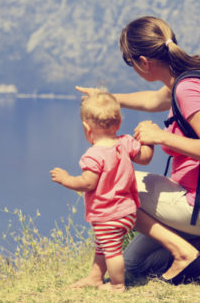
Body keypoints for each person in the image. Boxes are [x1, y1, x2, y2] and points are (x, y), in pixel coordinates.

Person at [76, 15, 200, 284]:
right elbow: (152, 100)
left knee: (103, 181)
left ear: (143, 62)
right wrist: (106, 99)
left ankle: (182, 251)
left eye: (131, 64)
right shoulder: (194, 77)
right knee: (135, 264)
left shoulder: (188, 90)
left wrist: (161, 137)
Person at [50, 90, 154, 292]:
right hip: (127, 211)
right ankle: (95, 277)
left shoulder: (94, 155)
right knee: (103, 245)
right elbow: (145, 157)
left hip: (108, 214)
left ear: (86, 128)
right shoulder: (125, 142)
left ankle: (117, 285)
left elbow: (87, 183)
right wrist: (149, 140)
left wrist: (66, 179)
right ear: (119, 123)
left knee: (113, 252)